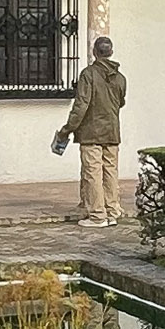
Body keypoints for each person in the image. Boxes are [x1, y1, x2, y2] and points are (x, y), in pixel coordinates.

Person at [55, 35, 126, 229]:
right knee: (110, 172)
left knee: (92, 173)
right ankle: (112, 211)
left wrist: (67, 129)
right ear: (110, 52)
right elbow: (121, 102)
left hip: (92, 133)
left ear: (95, 52)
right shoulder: (120, 78)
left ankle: (97, 214)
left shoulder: (88, 74)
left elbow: (81, 106)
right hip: (112, 131)